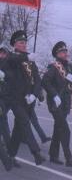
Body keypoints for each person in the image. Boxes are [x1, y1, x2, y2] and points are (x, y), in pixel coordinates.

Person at [3, 30, 45, 167]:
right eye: (21, 42)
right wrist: (27, 58)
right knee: (25, 122)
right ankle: (36, 154)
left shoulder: (30, 61)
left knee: (18, 129)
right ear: (14, 44)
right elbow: (14, 59)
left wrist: (34, 94)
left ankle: (10, 155)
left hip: (28, 100)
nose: (24, 45)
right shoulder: (10, 57)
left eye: (25, 42)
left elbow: (37, 80)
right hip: (15, 99)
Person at [40, 40, 72, 166]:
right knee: (65, 129)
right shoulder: (53, 67)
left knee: (58, 128)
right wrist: (54, 94)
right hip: (55, 103)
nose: (65, 53)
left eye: (65, 51)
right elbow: (45, 82)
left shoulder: (70, 67)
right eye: (62, 52)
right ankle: (68, 158)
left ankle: (53, 155)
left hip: (65, 103)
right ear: (57, 54)